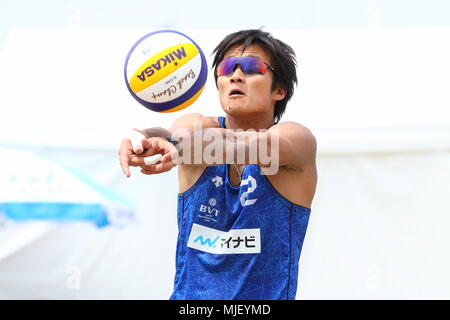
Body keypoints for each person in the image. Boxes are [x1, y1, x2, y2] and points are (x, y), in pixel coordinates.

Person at [119, 29, 317, 300]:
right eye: (226, 67)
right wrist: (142, 137)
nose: (235, 75)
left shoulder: (296, 141)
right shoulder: (194, 127)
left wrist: (177, 147)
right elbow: (176, 134)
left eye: (250, 67)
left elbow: (237, 145)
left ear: (279, 90)